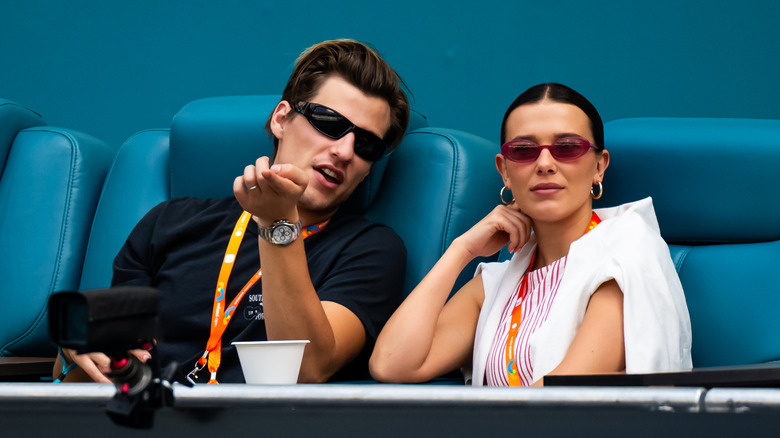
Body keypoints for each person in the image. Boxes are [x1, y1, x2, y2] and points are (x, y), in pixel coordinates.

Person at [54, 39, 410, 384]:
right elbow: (93, 372)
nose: (345, 151)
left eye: (365, 144)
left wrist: (278, 222)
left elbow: (306, 368)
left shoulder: (372, 250)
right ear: (281, 119)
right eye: (329, 123)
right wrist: (75, 349)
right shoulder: (169, 222)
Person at [370, 83, 691, 386]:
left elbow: (556, 401)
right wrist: (461, 250)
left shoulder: (627, 253)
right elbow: (392, 365)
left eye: (567, 147)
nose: (545, 163)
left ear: (599, 167)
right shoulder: (496, 283)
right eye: (524, 150)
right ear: (505, 171)